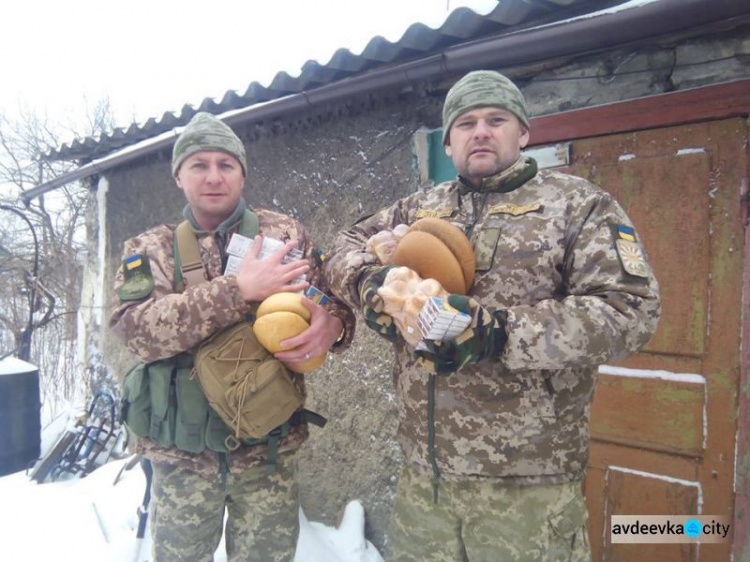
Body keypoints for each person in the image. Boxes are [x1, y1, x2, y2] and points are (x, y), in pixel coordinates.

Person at [323, 70, 660, 561]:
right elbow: (343, 244)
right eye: (465, 123)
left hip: (527, 487)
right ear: (451, 140)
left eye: (495, 119)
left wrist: (498, 333)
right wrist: (372, 287)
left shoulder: (578, 207)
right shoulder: (423, 207)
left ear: (522, 133)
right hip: (426, 480)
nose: (479, 131)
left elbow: (630, 311)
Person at [110, 112, 355, 562]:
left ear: (243, 174)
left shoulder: (284, 234)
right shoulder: (150, 249)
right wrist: (237, 291)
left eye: (226, 164)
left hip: (268, 452)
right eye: (199, 165)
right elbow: (137, 332)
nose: (213, 177)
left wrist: (333, 322)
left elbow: (329, 295)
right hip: (183, 456)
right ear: (178, 176)